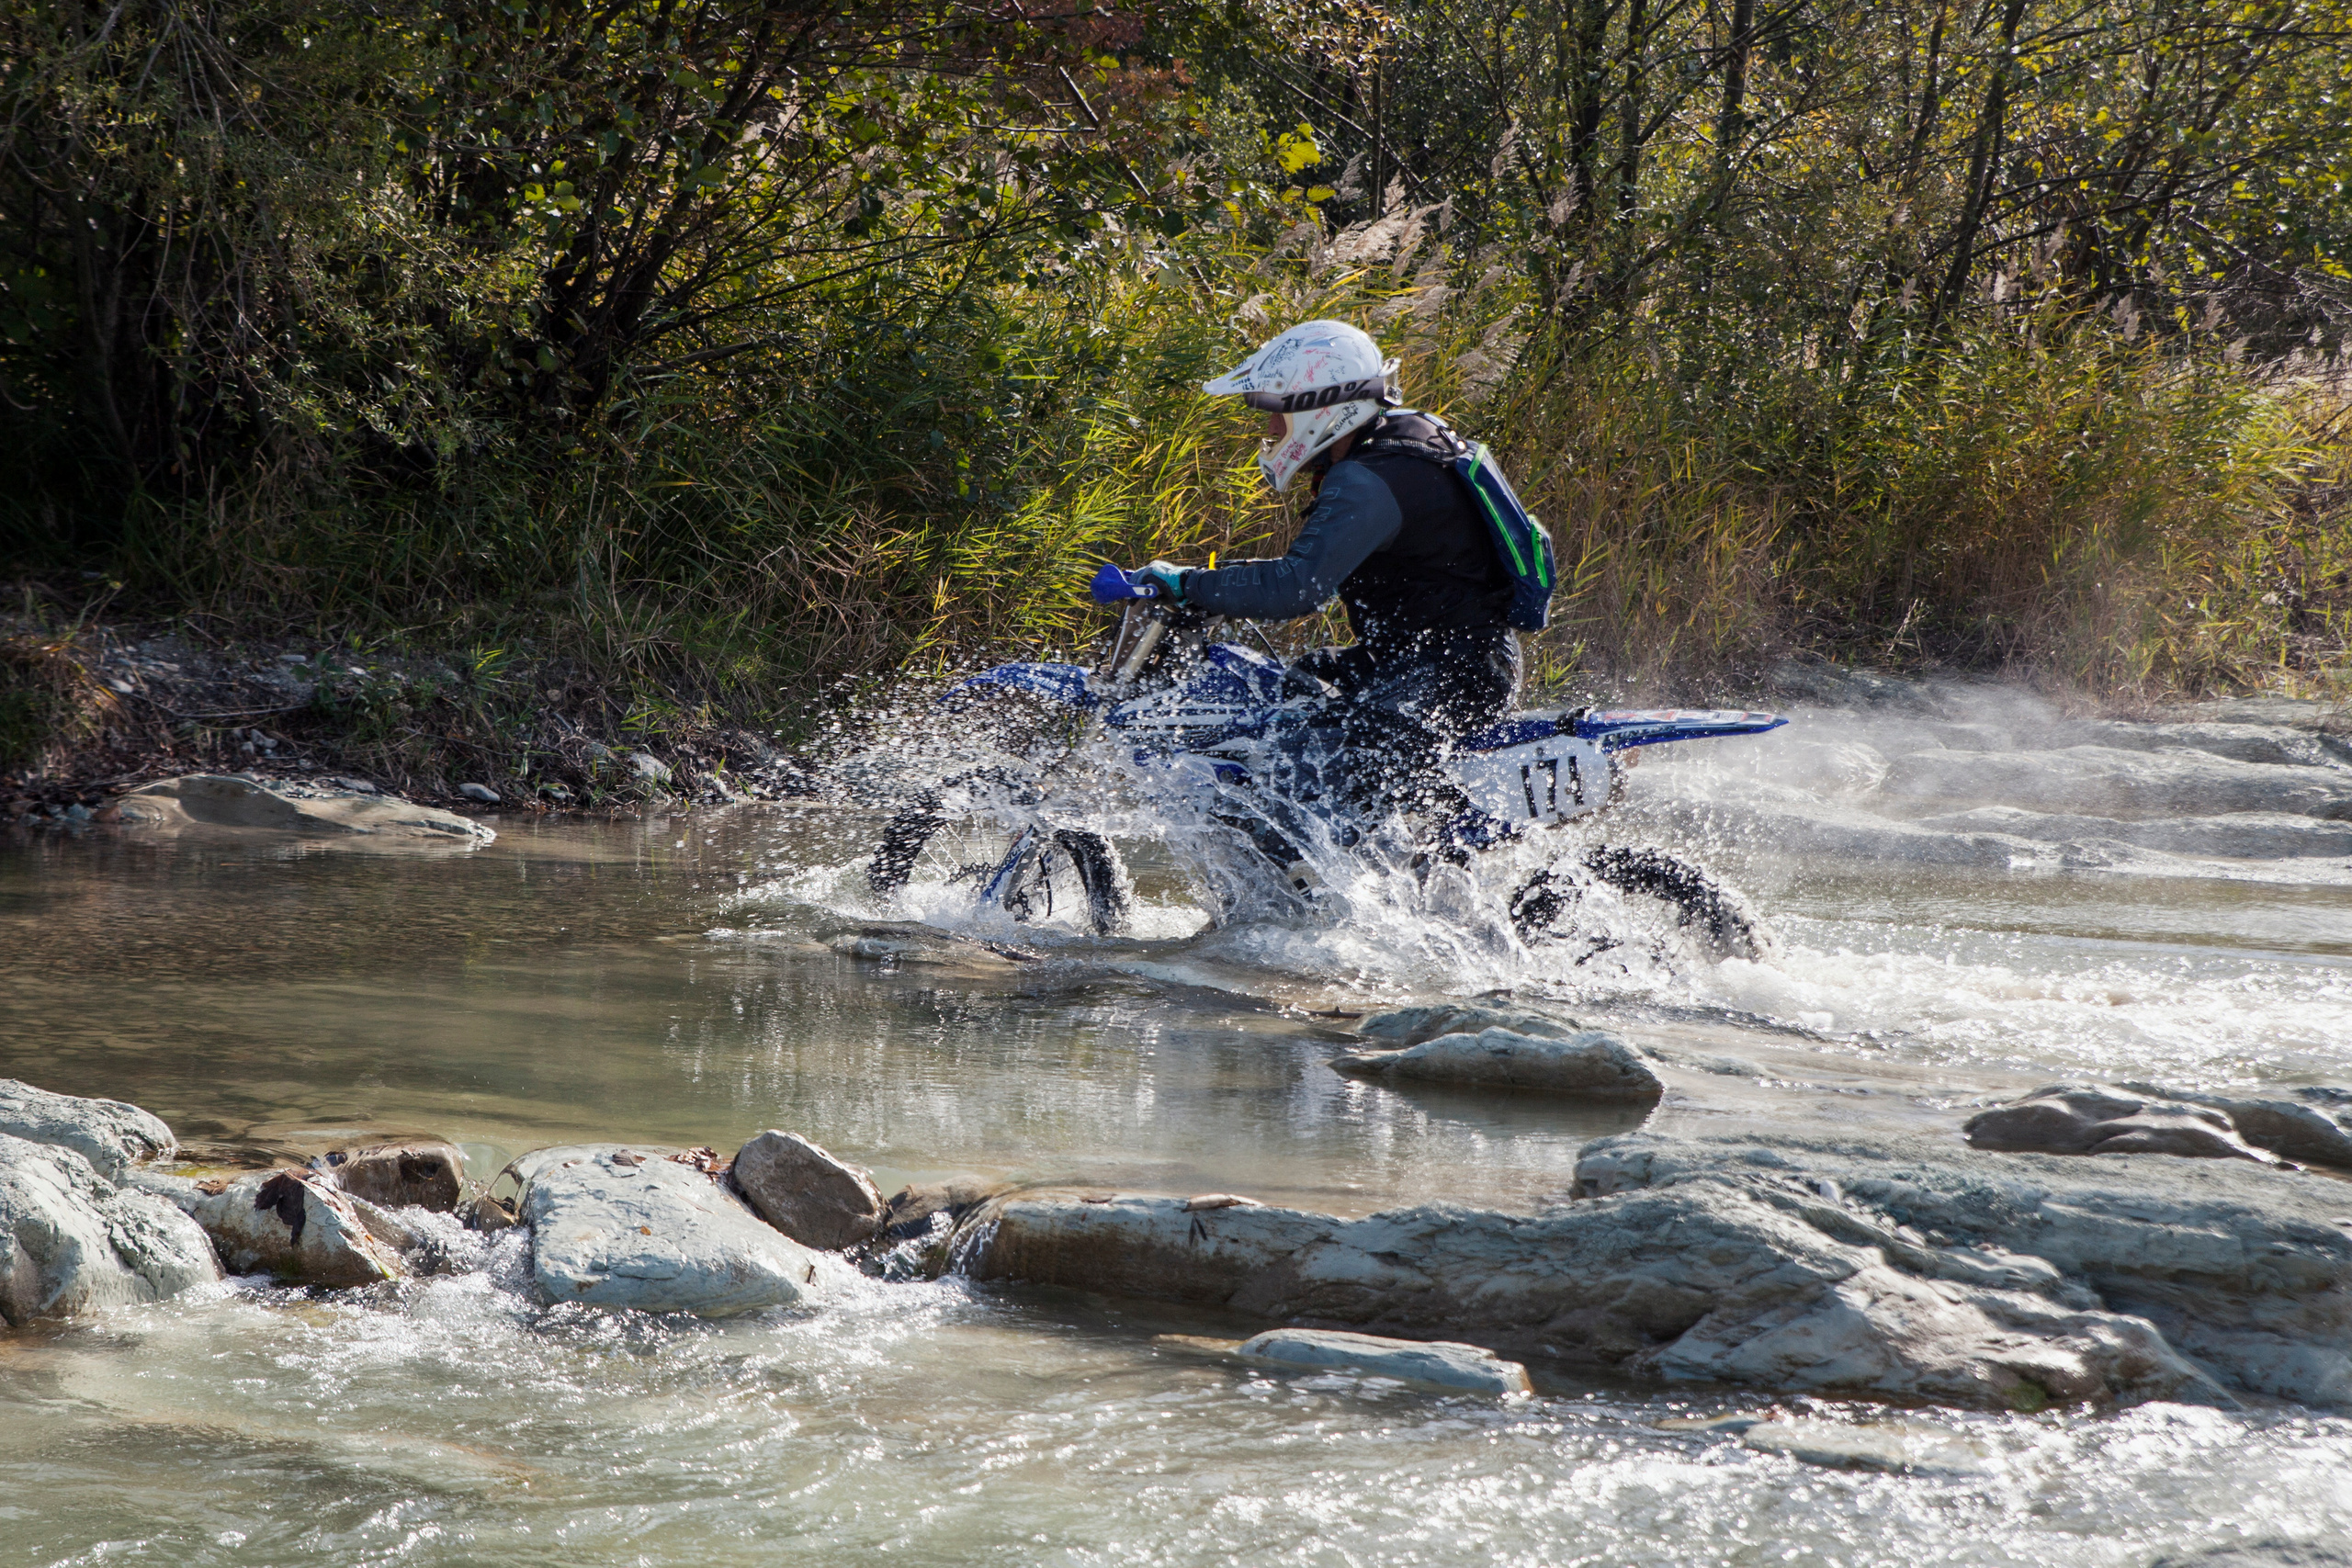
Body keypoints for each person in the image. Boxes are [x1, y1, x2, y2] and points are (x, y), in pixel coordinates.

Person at [1099, 320, 1521, 834]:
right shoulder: (1398, 447)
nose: (1271, 430)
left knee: (1290, 788)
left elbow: (1296, 588)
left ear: (1321, 407)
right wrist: (1209, 585)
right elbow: (1312, 570)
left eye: (1277, 414)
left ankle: (1329, 905)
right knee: (1286, 694)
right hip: (1429, 661)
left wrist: (1187, 584)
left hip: (1444, 676)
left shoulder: (1371, 477)